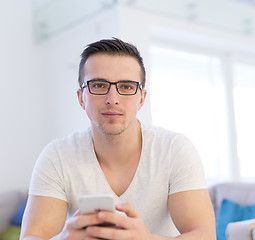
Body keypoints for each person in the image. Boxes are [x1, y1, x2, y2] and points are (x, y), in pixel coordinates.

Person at [20, 38, 216, 240]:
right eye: (98, 84)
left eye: (126, 86)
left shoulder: (175, 149)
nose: (112, 98)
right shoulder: (57, 156)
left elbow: (206, 236)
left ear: (141, 98)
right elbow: (31, 236)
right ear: (81, 98)